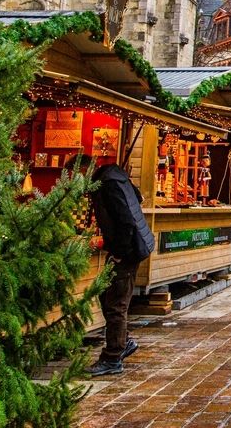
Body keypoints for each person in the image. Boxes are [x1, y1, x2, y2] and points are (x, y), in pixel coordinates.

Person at [82, 155, 156, 376]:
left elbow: (126, 220)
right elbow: (138, 197)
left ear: (85, 170)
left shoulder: (108, 184)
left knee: (115, 303)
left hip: (129, 249)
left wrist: (120, 252)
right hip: (133, 245)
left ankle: (113, 357)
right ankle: (123, 342)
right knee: (106, 296)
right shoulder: (117, 177)